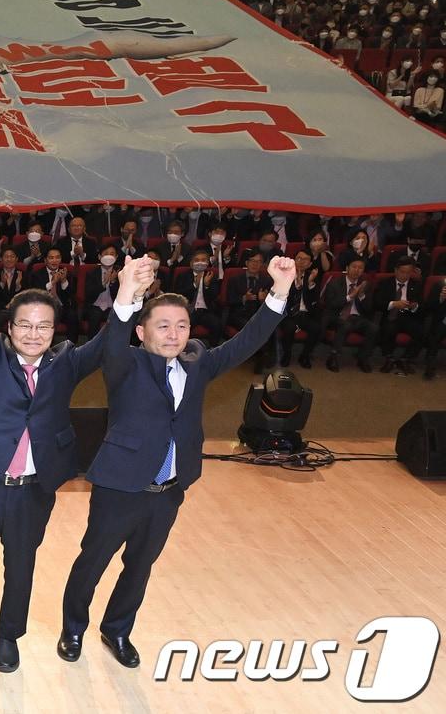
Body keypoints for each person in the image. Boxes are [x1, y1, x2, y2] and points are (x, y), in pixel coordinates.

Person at [58, 255, 294, 669]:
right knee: (93, 560)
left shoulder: (198, 361)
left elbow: (245, 342)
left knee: (141, 565)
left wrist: (279, 292)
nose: (173, 334)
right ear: (141, 331)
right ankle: (73, 628)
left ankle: (117, 629)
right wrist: (127, 291)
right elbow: (112, 338)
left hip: (168, 491)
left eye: (181, 325)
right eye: (163, 325)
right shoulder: (124, 362)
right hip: (120, 486)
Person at [0, 286, 111, 671]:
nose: (33, 334)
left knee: (21, 567)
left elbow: (109, 340)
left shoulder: (67, 362)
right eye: (25, 325)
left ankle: (8, 636)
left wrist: (127, 300)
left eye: (43, 327)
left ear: (55, 331)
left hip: (33, 489)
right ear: (9, 327)